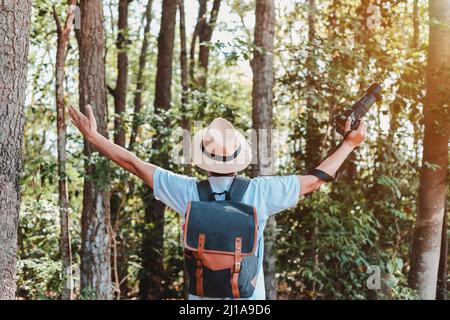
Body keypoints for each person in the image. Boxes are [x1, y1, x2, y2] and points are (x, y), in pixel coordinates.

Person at [68, 104, 366, 300]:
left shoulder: (187, 191)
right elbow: (316, 179)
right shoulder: (260, 192)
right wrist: (349, 144)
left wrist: (94, 137)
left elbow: (133, 164)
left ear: (203, 160)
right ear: (239, 159)